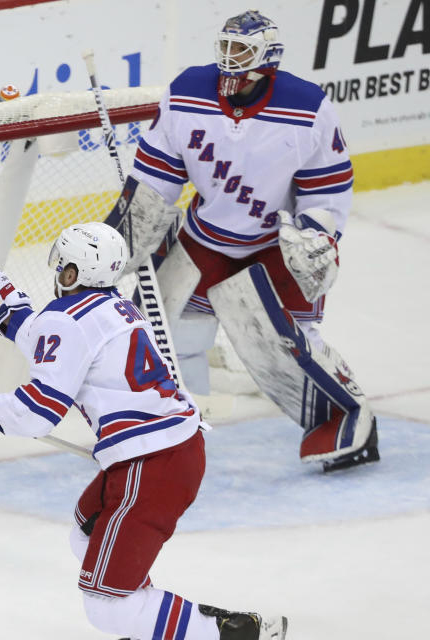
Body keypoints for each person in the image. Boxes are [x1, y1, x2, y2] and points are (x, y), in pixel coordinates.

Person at [0, 222, 288, 640]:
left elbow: (37, 413)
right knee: (87, 533)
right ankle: (153, 622)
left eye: (62, 267)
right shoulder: (116, 308)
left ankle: (231, 633)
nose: (57, 273)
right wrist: (1, 309)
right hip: (166, 455)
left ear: (72, 274)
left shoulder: (69, 321)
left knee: (107, 607)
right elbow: (51, 340)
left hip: (151, 466)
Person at [106, 10, 378, 472]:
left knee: (289, 344)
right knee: (171, 335)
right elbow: (156, 179)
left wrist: (317, 236)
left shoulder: (306, 106)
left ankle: (350, 419)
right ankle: (173, 429)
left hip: (275, 244)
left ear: (267, 57)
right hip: (207, 235)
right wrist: (123, 238)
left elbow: (326, 186)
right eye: (226, 47)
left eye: (242, 50)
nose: (230, 60)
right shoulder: (187, 92)